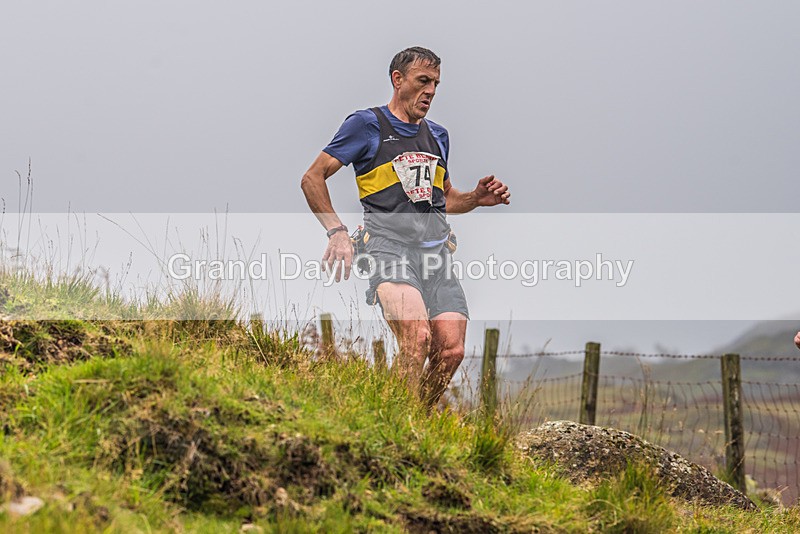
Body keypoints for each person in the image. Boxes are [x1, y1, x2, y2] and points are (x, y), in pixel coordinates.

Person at [300, 46, 510, 407]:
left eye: (436, 84)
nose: (430, 91)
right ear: (398, 81)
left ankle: (415, 419)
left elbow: (445, 200)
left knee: (451, 351)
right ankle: (392, 422)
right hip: (387, 248)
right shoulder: (367, 125)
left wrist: (475, 198)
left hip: (436, 255)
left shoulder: (438, 136)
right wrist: (336, 232)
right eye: (423, 81)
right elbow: (312, 177)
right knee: (416, 338)